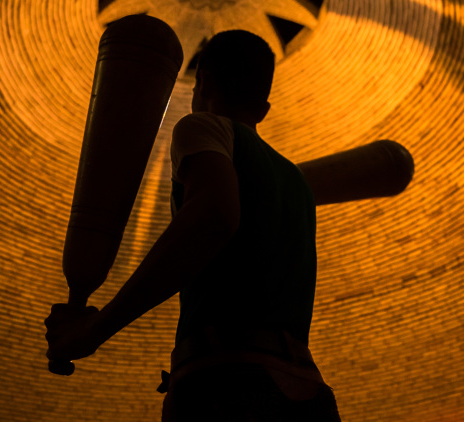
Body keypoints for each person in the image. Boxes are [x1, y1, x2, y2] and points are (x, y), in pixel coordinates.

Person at [46, 30, 341, 421]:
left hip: (227, 387)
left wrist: (95, 329)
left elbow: (215, 217)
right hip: (307, 396)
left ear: (200, 83)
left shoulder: (203, 127)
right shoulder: (298, 184)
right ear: (264, 107)